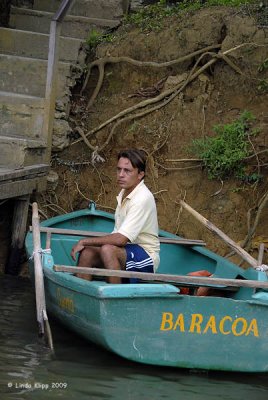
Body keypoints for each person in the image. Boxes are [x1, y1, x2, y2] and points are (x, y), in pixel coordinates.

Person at [71, 149, 160, 284]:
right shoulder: (124, 193)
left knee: (107, 249)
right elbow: (119, 236)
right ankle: (80, 296)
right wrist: (88, 245)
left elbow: (121, 239)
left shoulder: (142, 197)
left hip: (146, 256)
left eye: (127, 171)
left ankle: (114, 298)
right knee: (88, 252)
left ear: (140, 174)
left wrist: (84, 241)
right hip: (126, 250)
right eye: (119, 170)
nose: (121, 175)